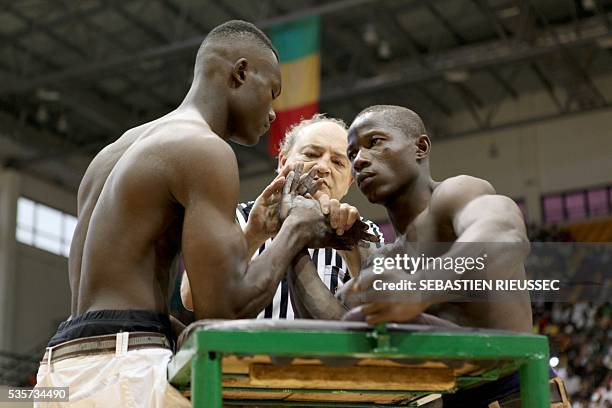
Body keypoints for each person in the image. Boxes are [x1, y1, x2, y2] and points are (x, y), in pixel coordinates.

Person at [34, 21, 352, 407]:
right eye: (271, 93)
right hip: (123, 371)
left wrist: (253, 234)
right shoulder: (205, 149)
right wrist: (296, 229)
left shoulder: (114, 152)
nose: (272, 113)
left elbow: (109, 294)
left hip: (61, 368)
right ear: (240, 73)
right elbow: (222, 313)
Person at [338, 105, 568, 407]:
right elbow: (336, 331)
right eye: (352, 153)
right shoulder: (384, 259)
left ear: (420, 147)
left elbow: (503, 235)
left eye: (375, 142)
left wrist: (419, 288)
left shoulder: (455, 194)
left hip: (514, 392)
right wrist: (298, 241)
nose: (360, 160)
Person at [181, 114, 384, 319]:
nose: (323, 167)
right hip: (242, 350)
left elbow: (383, 307)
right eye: (311, 154)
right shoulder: (235, 217)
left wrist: (350, 249)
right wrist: (253, 235)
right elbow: (191, 297)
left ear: (349, 182)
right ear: (283, 161)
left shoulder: (363, 232)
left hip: (322, 351)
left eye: (338, 162)